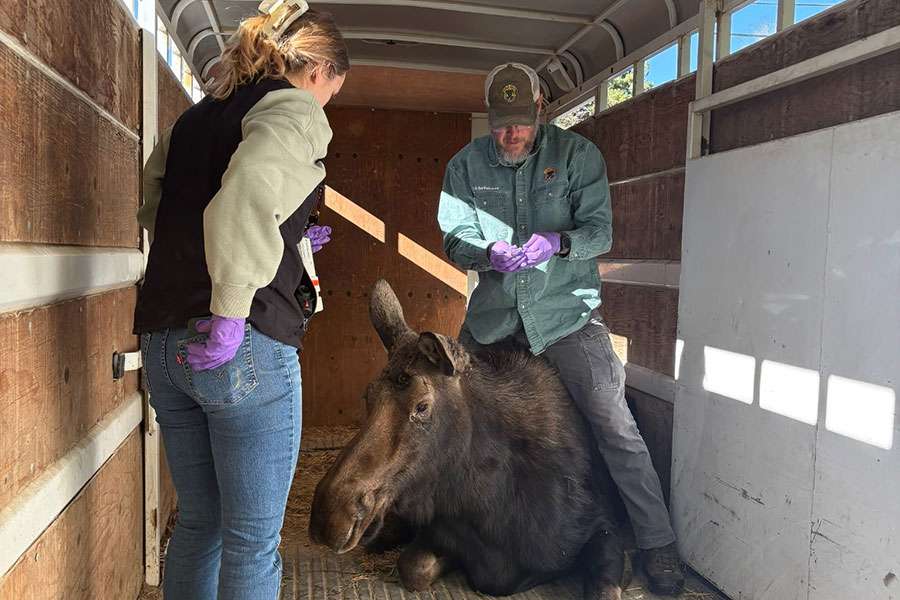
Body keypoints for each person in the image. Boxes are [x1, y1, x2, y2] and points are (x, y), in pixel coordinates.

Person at [437, 62, 685, 596]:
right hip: (495, 316)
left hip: (566, 315)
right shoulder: (464, 166)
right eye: (501, 124)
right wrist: (487, 253)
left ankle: (656, 542)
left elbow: (600, 231)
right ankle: (443, 531)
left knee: (612, 421)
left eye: (521, 123)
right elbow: (453, 241)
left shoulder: (577, 156)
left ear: (541, 110)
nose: (511, 134)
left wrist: (559, 242)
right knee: (446, 411)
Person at [132, 1, 347, 598]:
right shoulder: (294, 106)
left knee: (200, 524)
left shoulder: (196, 118)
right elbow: (246, 192)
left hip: (164, 342)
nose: (325, 104)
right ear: (318, 71)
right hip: (238, 344)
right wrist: (228, 305)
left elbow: (154, 202)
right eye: (332, 91)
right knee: (253, 542)